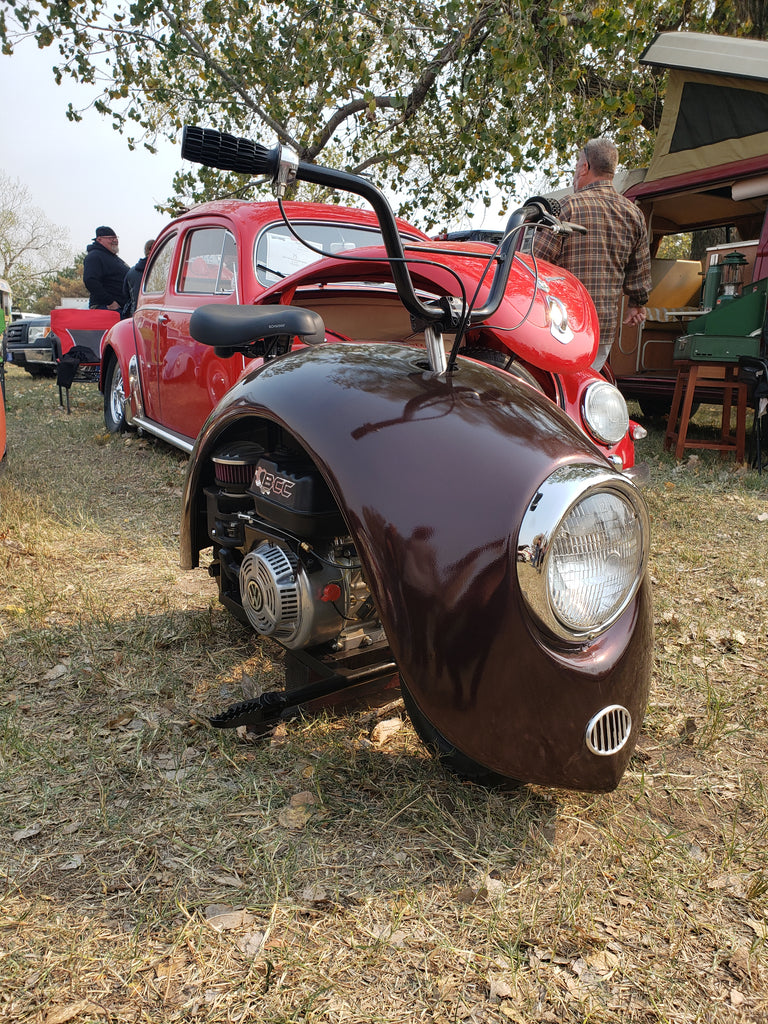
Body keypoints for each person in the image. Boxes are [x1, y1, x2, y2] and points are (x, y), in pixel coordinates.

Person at [533, 137, 652, 371]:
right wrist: (637, 304)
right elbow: (640, 272)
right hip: (601, 331)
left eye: (577, 166)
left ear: (585, 167)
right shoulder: (633, 214)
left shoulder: (567, 207)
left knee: (554, 393)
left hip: (559, 327)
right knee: (584, 387)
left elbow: (535, 263)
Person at [83, 226, 130, 312]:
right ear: (99, 239)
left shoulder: (113, 258)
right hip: (107, 308)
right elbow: (90, 280)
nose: (115, 240)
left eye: (116, 238)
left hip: (121, 307)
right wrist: (110, 302)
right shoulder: (94, 256)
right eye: (111, 238)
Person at [123, 238, 155, 317]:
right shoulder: (163, 269)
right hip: (155, 314)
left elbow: (125, 294)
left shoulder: (131, 272)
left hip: (136, 313)